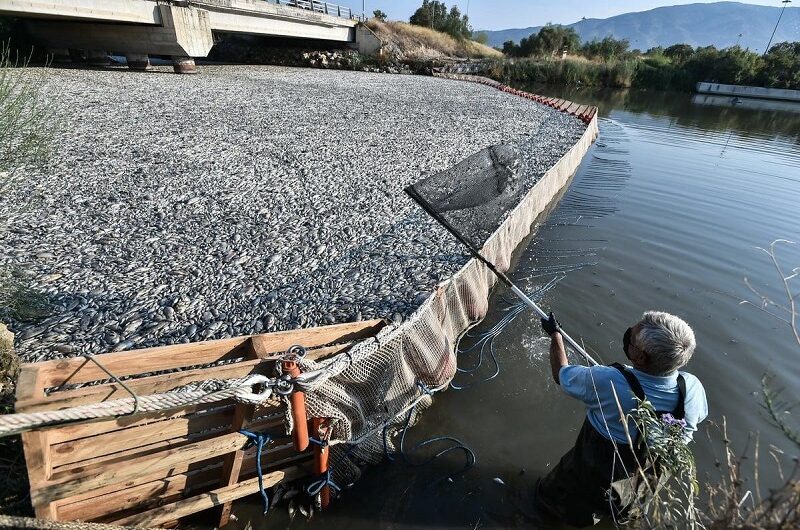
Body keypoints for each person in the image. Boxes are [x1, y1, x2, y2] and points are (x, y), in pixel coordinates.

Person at [535, 310, 708, 527]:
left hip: (594, 471)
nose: (628, 337)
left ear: (641, 357)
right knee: (624, 506)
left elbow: (561, 373)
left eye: (632, 339)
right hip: (646, 480)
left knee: (554, 503)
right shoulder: (692, 387)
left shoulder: (609, 381)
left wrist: (555, 335)